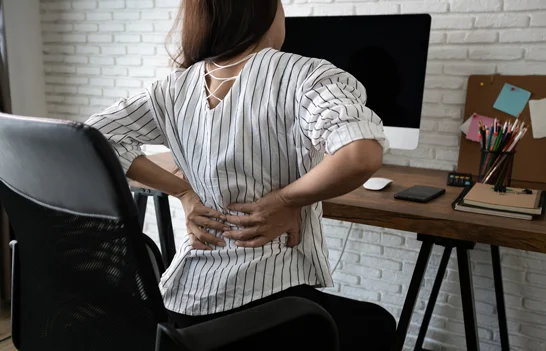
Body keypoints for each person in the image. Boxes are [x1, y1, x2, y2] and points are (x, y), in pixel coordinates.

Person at [86, 0, 396, 349]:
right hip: (273, 307)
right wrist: (285, 200)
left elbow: (95, 137)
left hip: (187, 307)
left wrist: (184, 192)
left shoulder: (174, 88)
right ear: (261, 11)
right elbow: (359, 155)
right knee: (379, 326)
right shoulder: (305, 75)